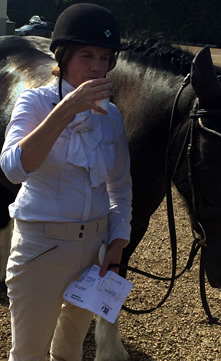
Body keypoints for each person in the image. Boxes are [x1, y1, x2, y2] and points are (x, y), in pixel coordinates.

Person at [1, 3, 132, 360]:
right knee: (28, 353)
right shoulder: (34, 102)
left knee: (70, 352)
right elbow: (13, 168)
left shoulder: (112, 116)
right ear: (62, 55)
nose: (96, 66)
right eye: (86, 55)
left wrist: (118, 243)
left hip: (95, 250)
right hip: (41, 249)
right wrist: (66, 109)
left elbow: (119, 186)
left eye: (105, 58)